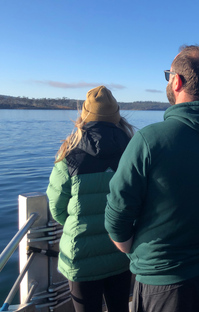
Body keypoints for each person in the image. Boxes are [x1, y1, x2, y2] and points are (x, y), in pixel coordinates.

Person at [104, 46, 199, 312]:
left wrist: (131, 249)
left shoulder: (149, 140)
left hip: (164, 283)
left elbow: (117, 216)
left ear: (176, 80)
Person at [46, 85, 134, 312]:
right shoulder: (133, 148)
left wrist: (77, 224)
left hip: (80, 256)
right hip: (121, 250)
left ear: (84, 115)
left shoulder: (69, 152)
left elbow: (56, 206)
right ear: (116, 115)